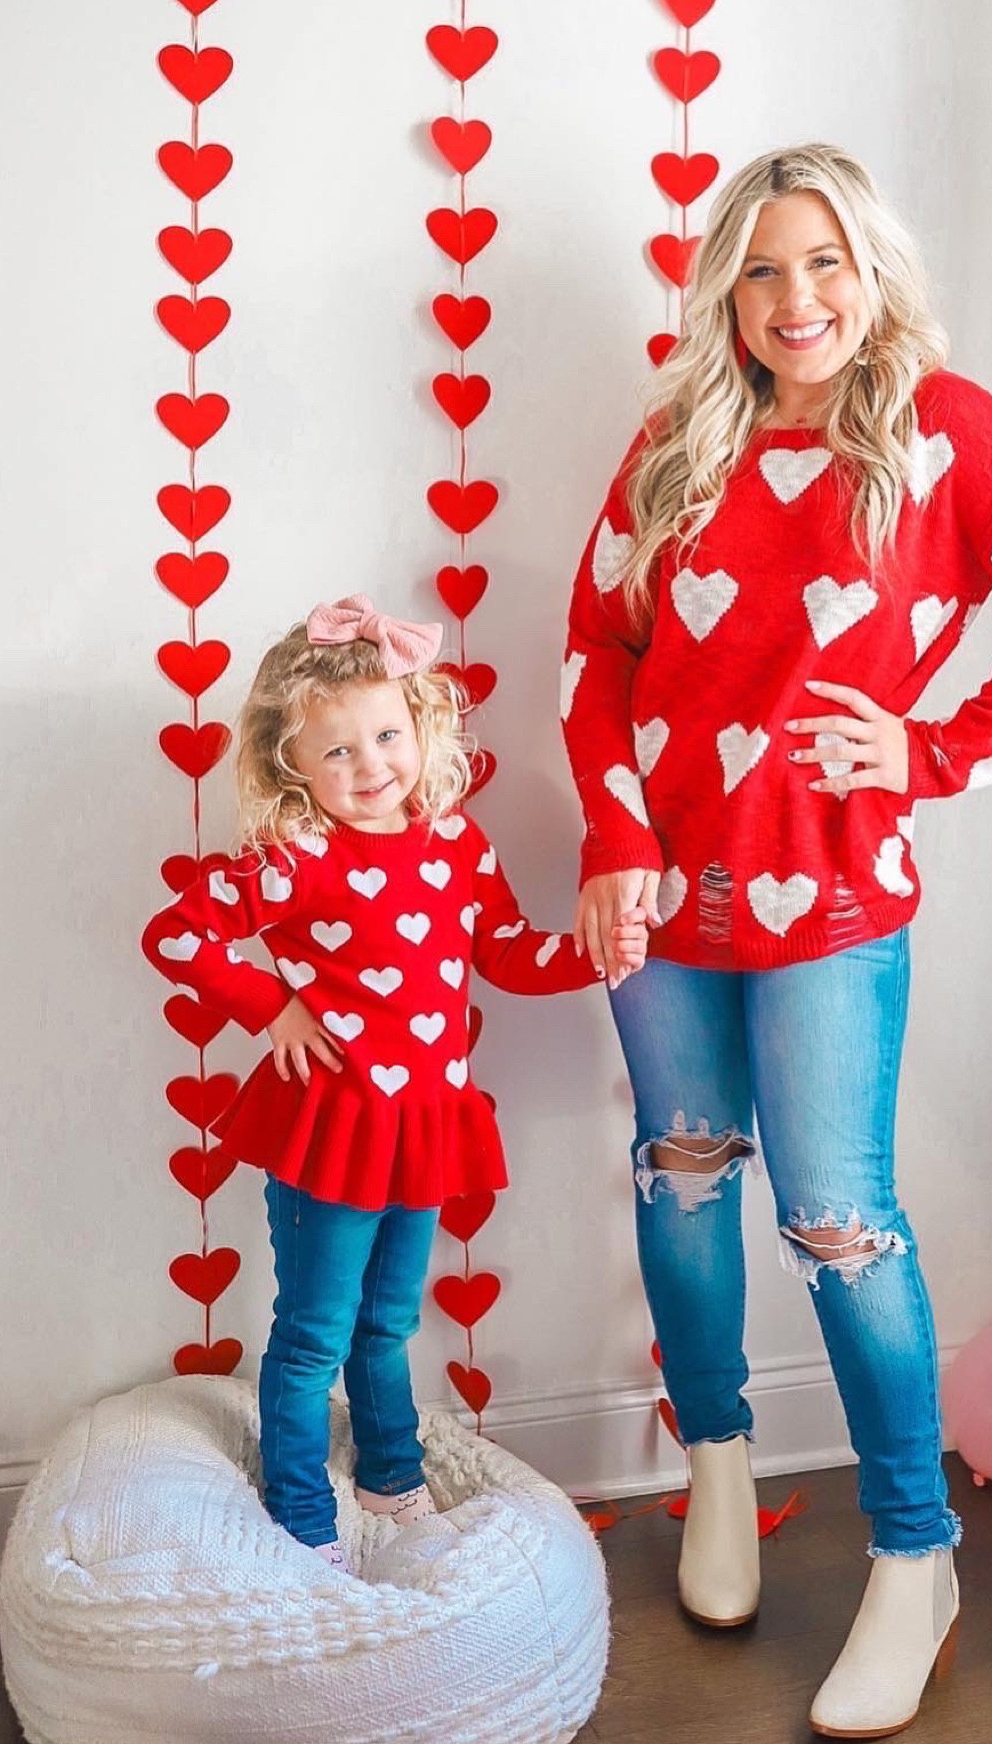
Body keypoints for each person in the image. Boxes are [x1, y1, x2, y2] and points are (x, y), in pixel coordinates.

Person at [561, 145, 992, 1738]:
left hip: (833, 904)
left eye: (822, 262)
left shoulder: (945, 436)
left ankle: (915, 1553)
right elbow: (595, 654)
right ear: (724, 295)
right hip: (666, 895)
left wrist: (934, 751)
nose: (794, 298)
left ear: (870, 271)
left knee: (838, 1226)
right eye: (760, 269)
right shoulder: (676, 444)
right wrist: (615, 837)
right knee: (679, 1178)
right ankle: (722, 1471)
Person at [143, 596, 647, 1569]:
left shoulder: (458, 843)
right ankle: (298, 1505)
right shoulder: (295, 858)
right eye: (336, 751)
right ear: (290, 762)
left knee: (389, 1321)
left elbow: (503, 950)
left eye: (386, 735)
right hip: (328, 1126)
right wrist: (272, 1006)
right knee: (313, 1332)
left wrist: (595, 954)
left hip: (420, 1124)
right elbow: (176, 932)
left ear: (421, 725)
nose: (370, 765)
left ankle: (390, 1470)